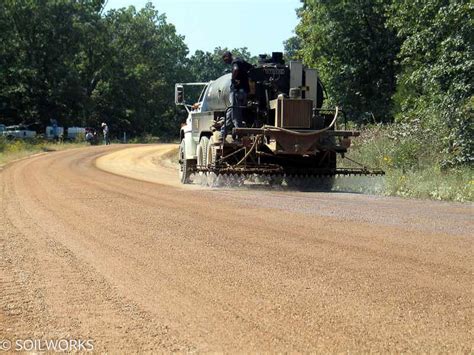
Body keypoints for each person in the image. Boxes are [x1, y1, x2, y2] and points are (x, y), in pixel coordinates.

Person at [221, 51, 253, 140]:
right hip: (245, 91)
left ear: (228, 56)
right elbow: (251, 68)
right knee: (230, 112)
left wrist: (233, 79)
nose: (225, 61)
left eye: (225, 59)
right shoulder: (242, 61)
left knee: (235, 113)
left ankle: (238, 132)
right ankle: (223, 132)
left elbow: (236, 69)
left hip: (237, 91)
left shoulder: (234, 62)